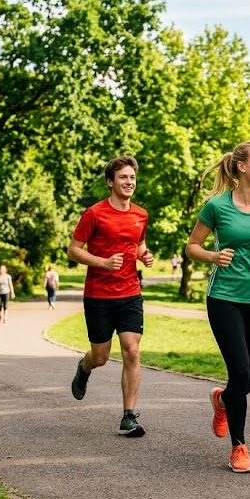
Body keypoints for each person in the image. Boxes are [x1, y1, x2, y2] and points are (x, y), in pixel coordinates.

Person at [186, 140, 250, 473]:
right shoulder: (217, 207)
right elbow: (192, 247)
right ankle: (239, 448)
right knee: (240, 371)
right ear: (242, 166)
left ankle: (223, 399)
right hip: (224, 298)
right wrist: (214, 256)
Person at [68, 156, 154, 437]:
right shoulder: (94, 213)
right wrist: (103, 262)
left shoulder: (140, 214)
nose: (129, 182)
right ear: (110, 182)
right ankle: (84, 366)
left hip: (130, 293)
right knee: (101, 356)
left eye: (132, 178)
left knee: (131, 349)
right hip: (99, 295)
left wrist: (145, 255)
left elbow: (138, 244)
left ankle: (129, 416)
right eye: (123, 178)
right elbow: (74, 250)